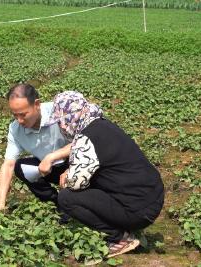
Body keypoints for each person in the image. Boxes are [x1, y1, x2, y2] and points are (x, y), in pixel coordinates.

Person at [47, 91, 164, 258]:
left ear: (67, 119)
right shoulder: (102, 124)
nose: (61, 126)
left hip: (138, 210)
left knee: (67, 198)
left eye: (60, 122)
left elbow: (74, 183)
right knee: (94, 181)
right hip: (153, 197)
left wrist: (67, 175)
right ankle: (128, 226)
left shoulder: (85, 139)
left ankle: (120, 239)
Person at [0, 83, 71, 213]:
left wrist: (57, 160)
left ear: (37, 104)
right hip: (48, 168)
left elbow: (85, 140)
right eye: (15, 115)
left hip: (75, 162)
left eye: (23, 114)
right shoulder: (15, 129)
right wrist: (0, 202)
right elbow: (8, 165)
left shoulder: (58, 112)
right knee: (20, 167)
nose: (19, 120)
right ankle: (55, 202)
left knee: (78, 200)